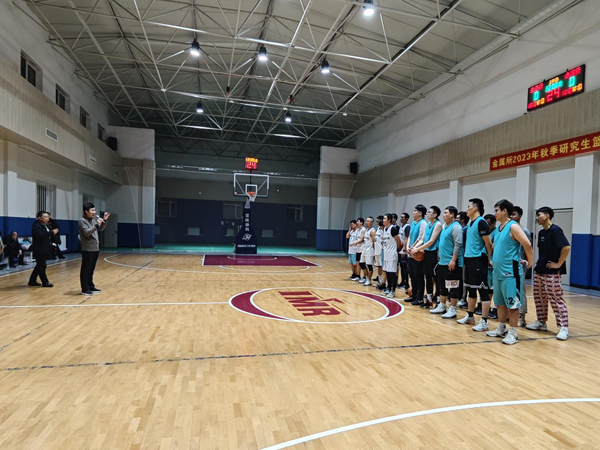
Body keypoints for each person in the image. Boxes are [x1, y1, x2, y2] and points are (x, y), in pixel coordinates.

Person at [485, 200, 533, 345]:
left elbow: (527, 244)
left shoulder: (513, 226)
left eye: (497, 210)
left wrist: (531, 262)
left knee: (513, 304)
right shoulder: (499, 228)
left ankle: (513, 333)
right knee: (500, 303)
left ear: (504, 211)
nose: (495, 213)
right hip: (498, 272)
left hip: (510, 273)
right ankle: (501, 328)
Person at [526, 206, 571, 341]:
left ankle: (563, 327)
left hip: (552, 272)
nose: (537, 218)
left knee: (556, 298)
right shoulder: (541, 233)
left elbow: (566, 247)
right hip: (540, 270)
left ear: (547, 215)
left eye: (539, 215)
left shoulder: (555, 230)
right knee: (539, 297)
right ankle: (541, 322)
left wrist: (559, 264)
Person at [457, 198, 493, 330]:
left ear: (476, 208)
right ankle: (470, 317)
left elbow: (488, 243)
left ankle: (484, 321)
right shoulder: (470, 223)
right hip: (468, 259)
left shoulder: (481, 222)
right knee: (471, 290)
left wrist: (488, 258)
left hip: (478, 260)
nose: (467, 209)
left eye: (469, 206)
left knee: (483, 291)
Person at [430, 207, 463, 318]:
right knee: (442, 285)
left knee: (453, 286)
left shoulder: (456, 227)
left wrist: (453, 260)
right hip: (442, 262)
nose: (443, 215)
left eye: (446, 213)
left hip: (451, 263)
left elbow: (458, 244)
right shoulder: (444, 226)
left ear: (452, 215)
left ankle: (452, 309)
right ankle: (442, 306)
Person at [413, 206, 442, 308]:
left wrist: (418, 249)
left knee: (436, 278)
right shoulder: (428, 224)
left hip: (434, 253)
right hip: (427, 252)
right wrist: (414, 248)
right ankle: (429, 301)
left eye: (430, 212)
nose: (428, 214)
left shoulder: (438, 224)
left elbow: (431, 241)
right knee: (427, 276)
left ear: (435, 214)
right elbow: (422, 239)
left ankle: (439, 301)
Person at [79, 203, 109, 295]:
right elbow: (87, 232)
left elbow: (101, 229)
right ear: (86, 211)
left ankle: (91, 286)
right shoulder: (82, 221)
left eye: (94, 210)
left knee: (91, 269)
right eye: (92, 210)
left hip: (95, 248)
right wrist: (96, 225)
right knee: (85, 269)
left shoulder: (92, 220)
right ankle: (85, 288)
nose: (94, 212)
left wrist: (104, 220)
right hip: (87, 249)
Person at [510, 206, 533, 327]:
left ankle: (522, 316)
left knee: (520, 290)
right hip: (508, 264)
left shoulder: (524, 231)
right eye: (510, 214)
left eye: (514, 214)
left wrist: (527, 261)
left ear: (520, 216)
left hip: (519, 264)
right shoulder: (507, 229)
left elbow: (527, 247)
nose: (511, 217)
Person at [28, 211, 58, 287]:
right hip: (39, 249)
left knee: (39, 266)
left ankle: (32, 281)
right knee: (42, 266)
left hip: (45, 248)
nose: (47, 218)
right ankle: (45, 282)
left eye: (48, 217)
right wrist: (52, 232)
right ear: (39, 217)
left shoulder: (46, 225)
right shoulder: (36, 225)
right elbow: (40, 235)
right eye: (45, 217)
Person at [406, 205, 427, 305]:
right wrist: (407, 246)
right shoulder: (413, 223)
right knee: (412, 276)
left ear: (420, 213)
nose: (413, 212)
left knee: (419, 276)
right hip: (411, 253)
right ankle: (413, 295)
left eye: (415, 211)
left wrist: (413, 248)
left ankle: (420, 297)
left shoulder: (423, 223)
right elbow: (410, 237)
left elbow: (421, 238)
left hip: (417, 253)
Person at [382, 213, 401, 298]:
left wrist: (397, 249)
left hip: (392, 254)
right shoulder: (384, 229)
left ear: (389, 220)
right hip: (386, 254)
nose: (383, 220)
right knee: (387, 273)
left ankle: (393, 291)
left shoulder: (392, 229)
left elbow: (398, 240)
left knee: (392, 274)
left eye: (385, 219)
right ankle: (389, 289)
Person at [483, 214, 498, 320]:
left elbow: (493, 247)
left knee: (495, 289)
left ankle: (496, 309)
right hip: (487, 264)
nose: (487, 226)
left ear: (494, 223)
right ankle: (487, 308)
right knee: (488, 288)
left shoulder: (496, 233)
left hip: (494, 264)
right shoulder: (486, 233)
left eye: (489, 224)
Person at [456, 211, 469, 309]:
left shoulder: (465, 230)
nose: (456, 219)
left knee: (464, 279)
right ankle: (458, 297)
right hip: (459, 257)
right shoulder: (459, 229)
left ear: (463, 220)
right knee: (459, 279)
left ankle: (463, 299)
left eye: (458, 218)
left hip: (464, 258)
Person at [359, 217, 376, 286]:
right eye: (366, 221)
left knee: (369, 266)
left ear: (371, 222)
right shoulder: (366, 230)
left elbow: (374, 241)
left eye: (368, 221)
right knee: (361, 264)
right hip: (364, 249)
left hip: (370, 250)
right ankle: (366, 277)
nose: (366, 222)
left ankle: (369, 279)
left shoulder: (372, 231)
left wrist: (374, 251)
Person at [398, 213, 411, 291]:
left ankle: (406, 284)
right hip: (400, 250)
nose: (401, 218)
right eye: (401, 217)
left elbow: (407, 239)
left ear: (406, 219)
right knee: (402, 267)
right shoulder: (401, 226)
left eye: (402, 217)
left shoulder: (407, 227)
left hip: (404, 251)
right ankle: (402, 281)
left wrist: (404, 250)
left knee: (405, 268)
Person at [374, 216, 384, 288]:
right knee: (378, 266)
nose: (377, 223)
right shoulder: (377, 229)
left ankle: (383, 282)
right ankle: (379, 280)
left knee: (382, 267)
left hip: (381, 251)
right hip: (376, 251)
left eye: (378, 221)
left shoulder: (384, 230)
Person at [354, 218, 366, 282]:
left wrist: (354, 243)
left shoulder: (363, 229)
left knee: (362, 263)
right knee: (357, 262)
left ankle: (364, 277)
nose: (357, 222)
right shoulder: (357, 230)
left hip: (362, 249)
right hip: (358, 249)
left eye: (358, 221)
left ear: (361, 223)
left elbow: (362, 240)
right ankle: (358, 276)